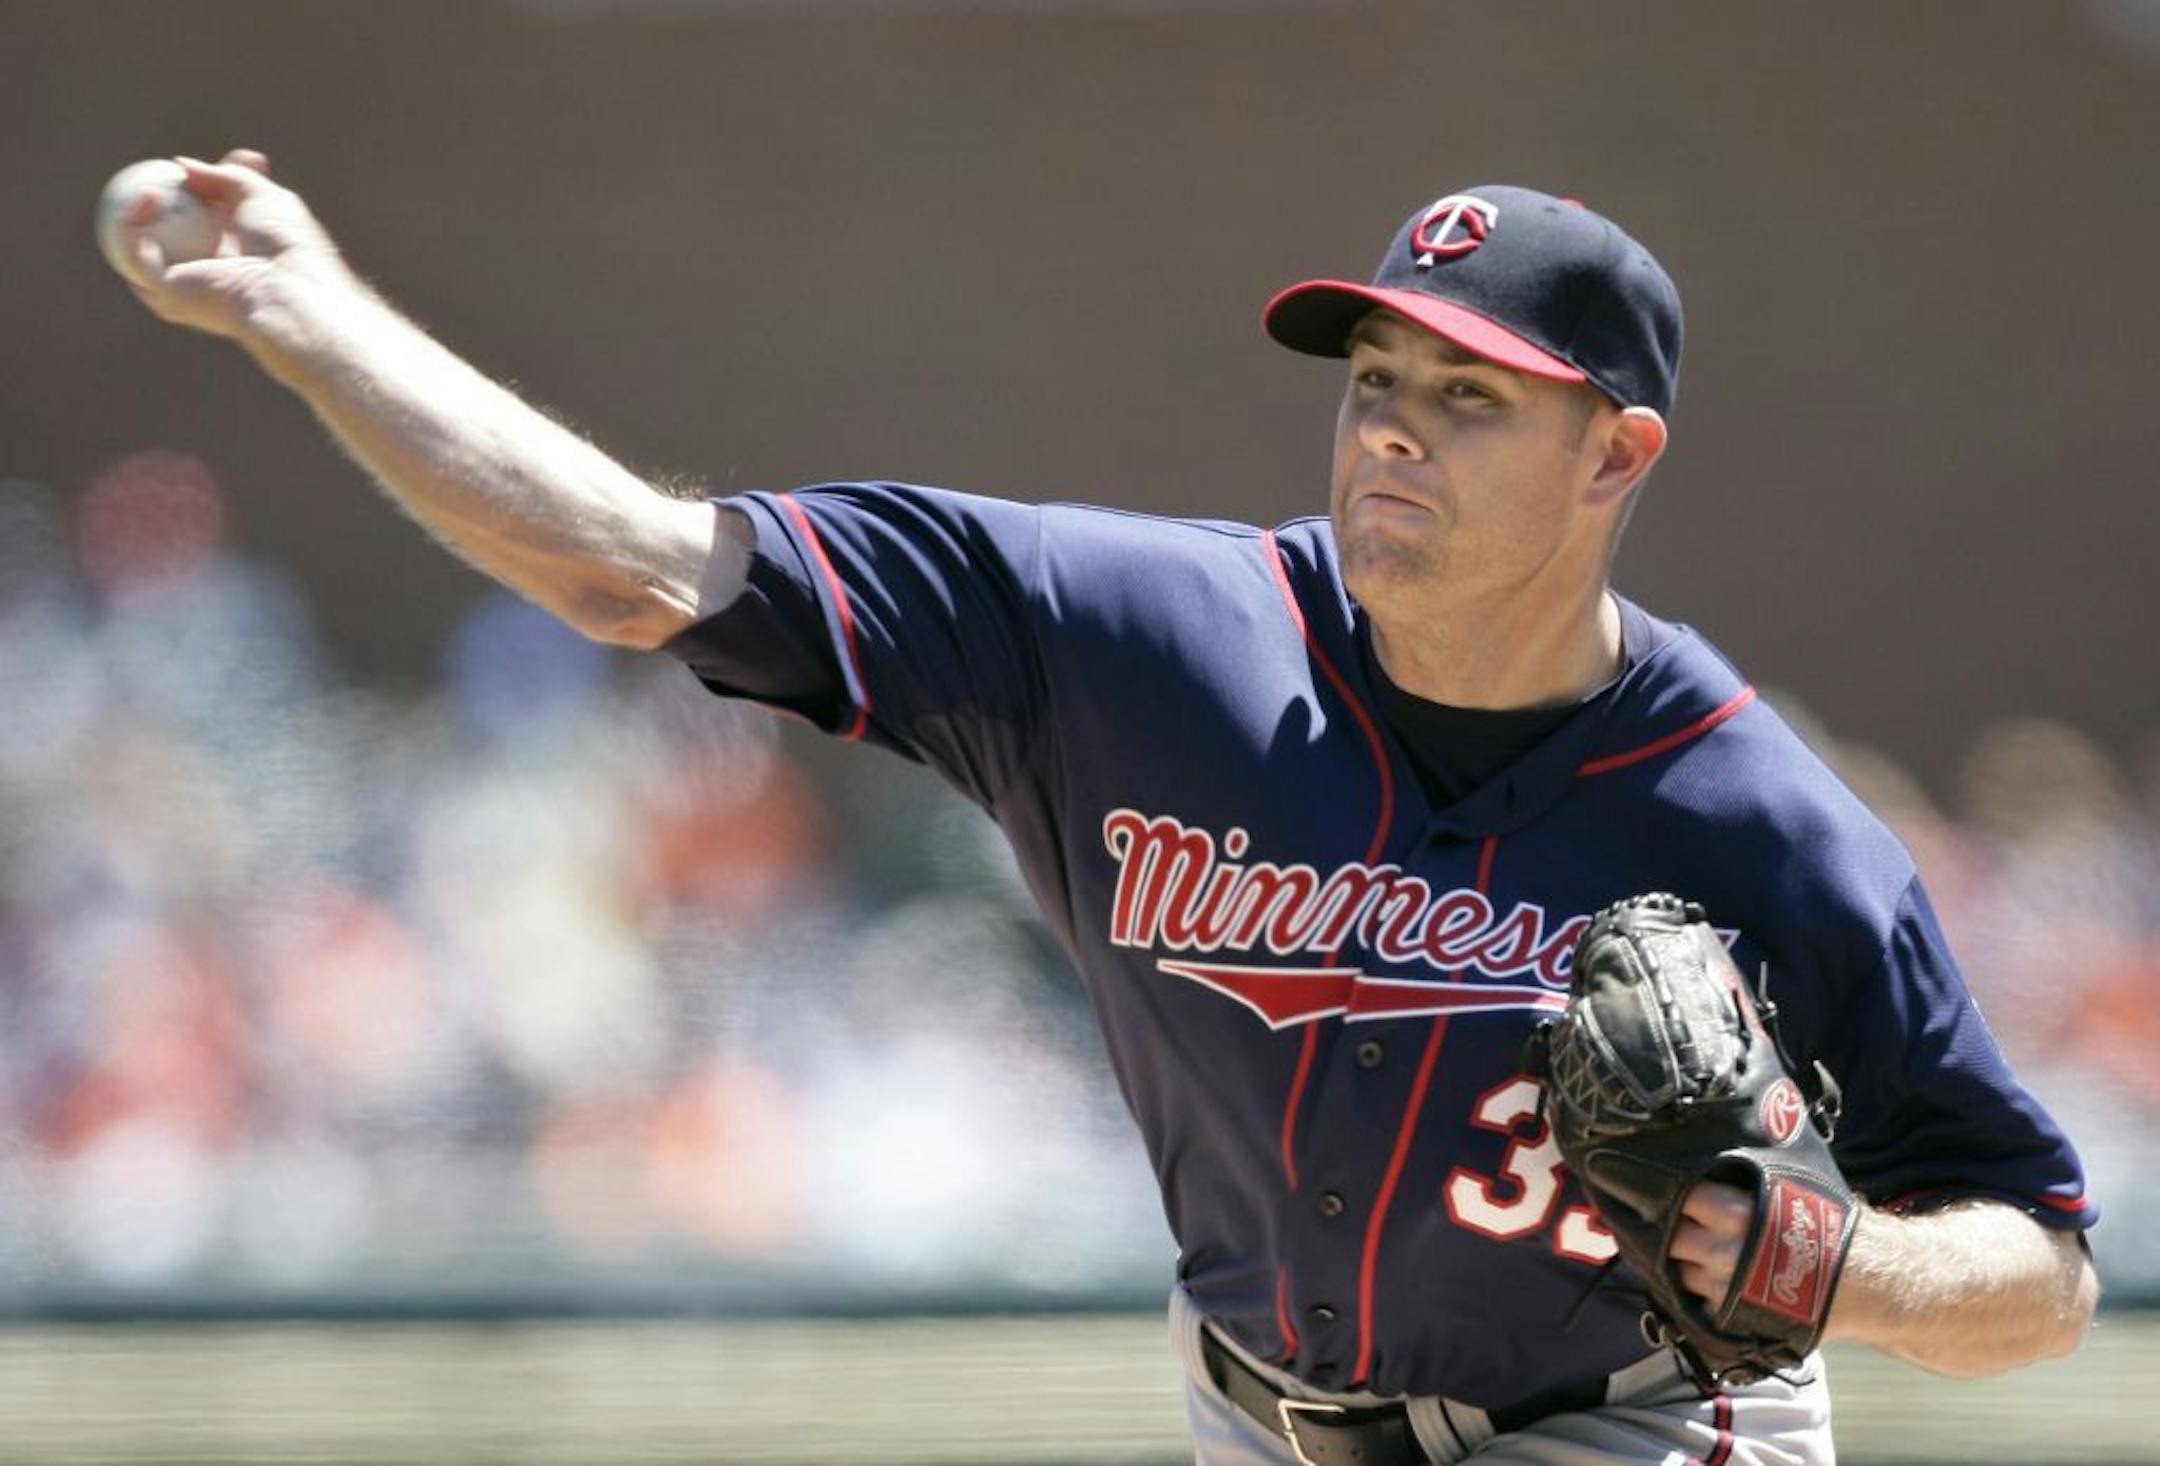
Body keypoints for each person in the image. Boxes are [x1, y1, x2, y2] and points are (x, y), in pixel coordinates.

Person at [114, 151, 2098, 1465]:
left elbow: (2045, 1263)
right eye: (1375, 376)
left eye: (1471, 396)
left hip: (1631, 1425)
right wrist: (307, 319)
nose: (1393, 424)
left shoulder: (1742, 807)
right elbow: (634, 566)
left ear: (1617, 454)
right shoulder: (1121, 643)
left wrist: (1847, 1269)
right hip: (1253, 1412)